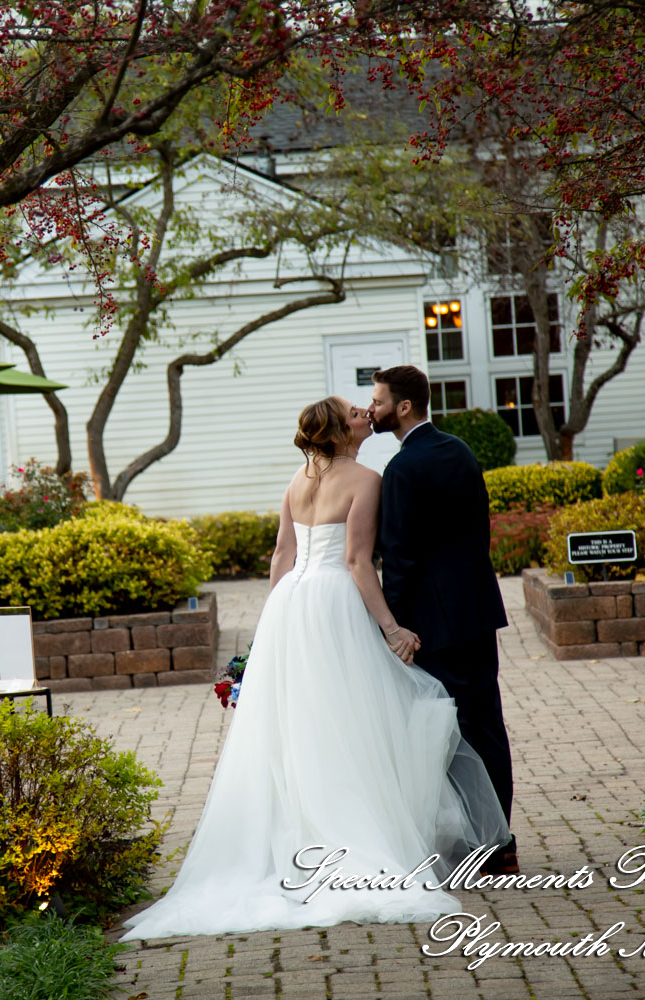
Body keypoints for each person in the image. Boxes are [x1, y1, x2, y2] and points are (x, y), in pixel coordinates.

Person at [119, 396, 509, 940]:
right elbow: (355, 561)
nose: (364, 414)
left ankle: (297, 828)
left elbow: (281, 557)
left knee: (297, 721)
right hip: (332, 602)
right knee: (348, 717)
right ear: (339, 430)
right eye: (355, 411)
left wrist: (271, 629)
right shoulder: (365, 479)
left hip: (290, 605)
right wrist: (393, 628)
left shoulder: (295, 481)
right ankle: (351, 836)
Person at [368, 365, 517, 875]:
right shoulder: (460, 450)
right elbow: (481, 528)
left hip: (433, 622)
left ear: (403, 407)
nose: (373, 408)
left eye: (379, 400)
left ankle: (473, 846)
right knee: (488, 724)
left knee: (445, 734)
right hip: (477, 610)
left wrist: (396, 627)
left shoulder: (402, 470)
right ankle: (502, 844)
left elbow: (400, 557)